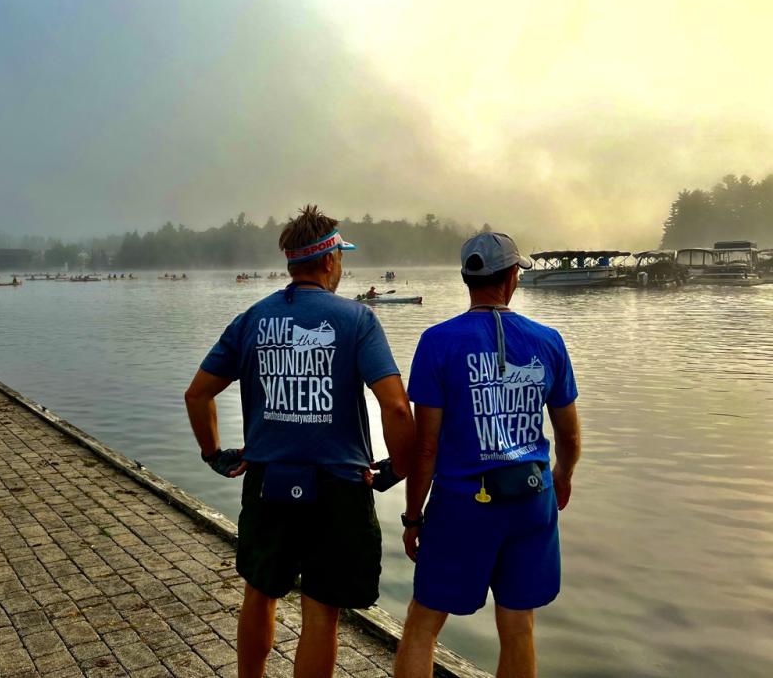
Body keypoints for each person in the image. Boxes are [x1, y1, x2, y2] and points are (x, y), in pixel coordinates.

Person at [184, 204, 415, 678]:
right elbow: (394, 407)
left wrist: (214, 454)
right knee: (321, 610)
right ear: (330, 261)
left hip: (268, 481)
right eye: (341, 258)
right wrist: (399, 467)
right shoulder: (356, 320)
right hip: (339, 486)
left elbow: (198, 394)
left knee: (260, 592)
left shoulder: (252, 319)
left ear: (292, 262)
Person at [394, 232, 582, 678]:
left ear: (466, 278)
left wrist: (413, 515)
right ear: (513, 276)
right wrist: (563, 475)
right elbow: (569, 436)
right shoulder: (548, 341)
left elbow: (426, 446)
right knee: (518, 625)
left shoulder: (438, 342)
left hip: (462, 506)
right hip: (532, 498)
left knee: (423, 624)